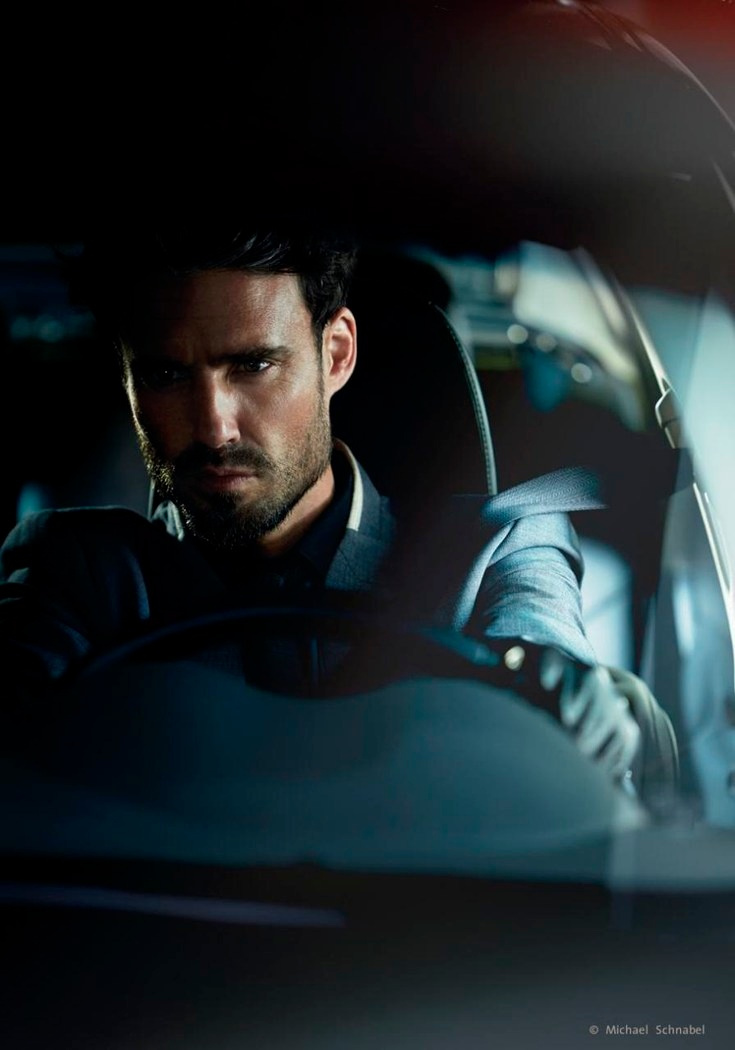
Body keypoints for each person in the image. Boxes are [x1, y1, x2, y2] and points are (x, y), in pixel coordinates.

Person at [0, 223, 674, 795]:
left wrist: (571, 709)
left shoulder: (498, 549)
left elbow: (544, 660)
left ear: (337, 354)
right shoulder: (78, 571)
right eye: (165, 374)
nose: (213, 428)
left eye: (253, 366)